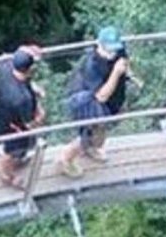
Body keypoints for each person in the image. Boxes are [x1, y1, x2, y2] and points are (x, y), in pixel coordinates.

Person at [57, 26, 136, 178]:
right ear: (99, 45)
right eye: (109, 50)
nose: (113, 54)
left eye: (115, 49)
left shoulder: (118, 51)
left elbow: (124, 60)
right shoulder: (91, 65)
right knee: (91, 134)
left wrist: (127, 72)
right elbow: (101, 96)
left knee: (99, 134)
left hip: (112, 99)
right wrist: (116, 72)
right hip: (89, 102)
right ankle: (65, 159)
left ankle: (91, 149)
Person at [0, 45, 46, 188]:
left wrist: (33, 88)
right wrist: (40, 115)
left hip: (2, 114)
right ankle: (6, 175)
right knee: (9, 150)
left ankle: (17, 160)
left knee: (14, 149)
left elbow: (19, 52)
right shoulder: (22, 99)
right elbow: (30, 123)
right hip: (15, 126)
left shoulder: (6, 68)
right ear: (30, 69)